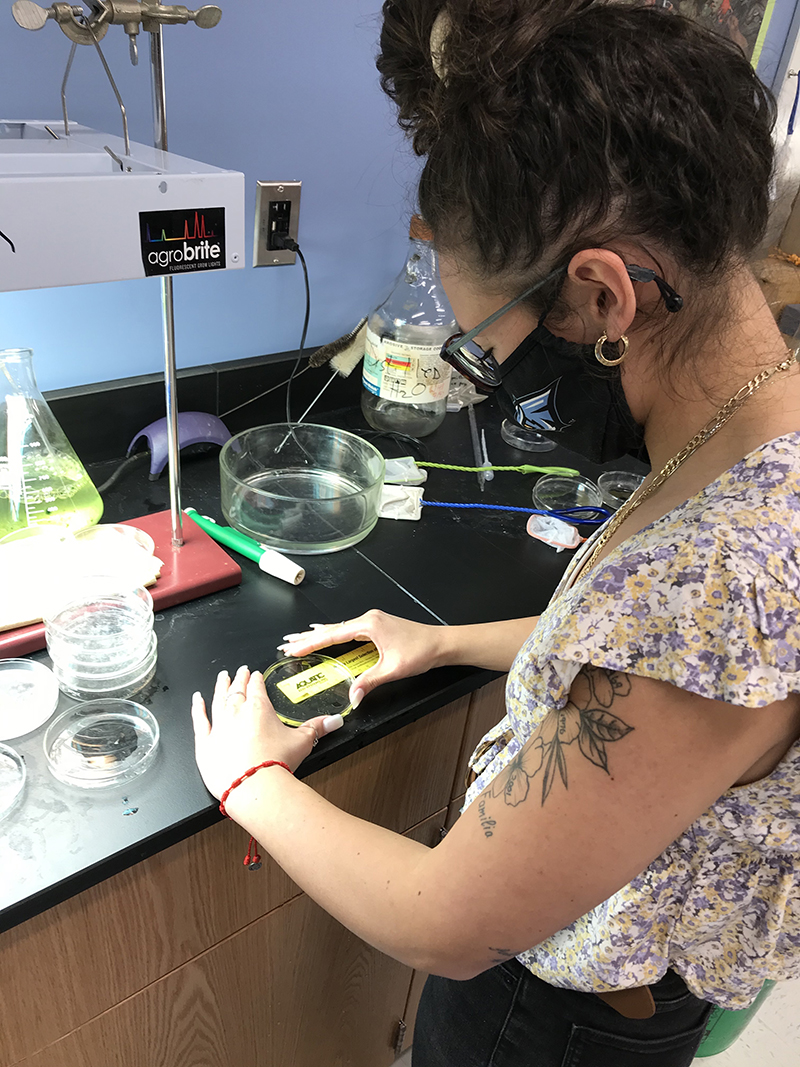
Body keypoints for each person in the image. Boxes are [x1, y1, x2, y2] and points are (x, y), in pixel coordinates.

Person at [191, 2, 800, 1064]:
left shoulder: (717, 574)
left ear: (600, 293)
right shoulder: (755, 433)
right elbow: (646, 665)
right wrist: (440, 640)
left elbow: (446, 921)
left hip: (554, 1023)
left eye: (485, 346)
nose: (494, 375)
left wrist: (252, 782)